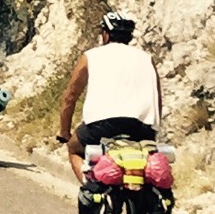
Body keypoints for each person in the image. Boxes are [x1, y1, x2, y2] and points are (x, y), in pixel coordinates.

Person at [55, 11, 163, 182]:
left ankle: (89, 189)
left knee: (74, 149)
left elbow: (70, 97)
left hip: (102, 126)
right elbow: (157, 99)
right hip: (142, 128)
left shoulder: (91, 56)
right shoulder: (146, 58)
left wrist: (64, 132)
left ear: (105, 34)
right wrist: (154, 130)